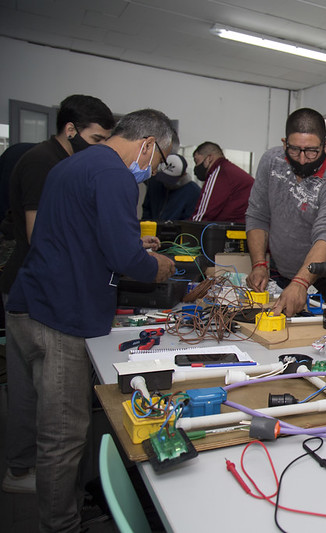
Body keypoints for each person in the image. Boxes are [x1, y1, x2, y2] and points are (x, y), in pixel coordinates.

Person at [5, 108, 176, 532]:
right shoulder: (116, 174)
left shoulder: (75, 163)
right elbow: (123, 259)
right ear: (147, 145)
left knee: (55, 422)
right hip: (60, 317)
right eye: (156, 163)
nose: (151, 173)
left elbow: (75, 231)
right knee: (63, 433)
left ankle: (65, 507)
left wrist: (131, 241)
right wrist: (155, 265)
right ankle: (61, 525)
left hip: (32, 303)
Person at [1, 94, 114, 496]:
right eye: (97, 139)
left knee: (37, 391)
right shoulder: (41, 162)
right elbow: (38, 234)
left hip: (43, 289)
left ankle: (28, 467)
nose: (102, 148)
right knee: (32, 395)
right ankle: (19, 471)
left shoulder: (63, 161)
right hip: (33, 290)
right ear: (70, 130)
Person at [245, 108, 326, 317]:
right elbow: (258, 215)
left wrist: (301, 282)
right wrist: (259, 264)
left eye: (312, 151)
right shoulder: (271, 162)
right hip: (281, 271)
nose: (302, 160)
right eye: (295, 150)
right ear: (284, 144)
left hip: (323, 281)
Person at [191, 141, 253, 223]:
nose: (196, 166)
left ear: (209, 158)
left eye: (197, 161)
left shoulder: (219, 172)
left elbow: (203, 216)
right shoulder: (230, 170)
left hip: (238, 230)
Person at [142, 153, 202, 221]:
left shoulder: (194, 192)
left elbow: (189, 220)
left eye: (170, 180)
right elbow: (147, 208)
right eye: (164, 178)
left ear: (183, 175)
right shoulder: (155, 183)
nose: (166, 183)